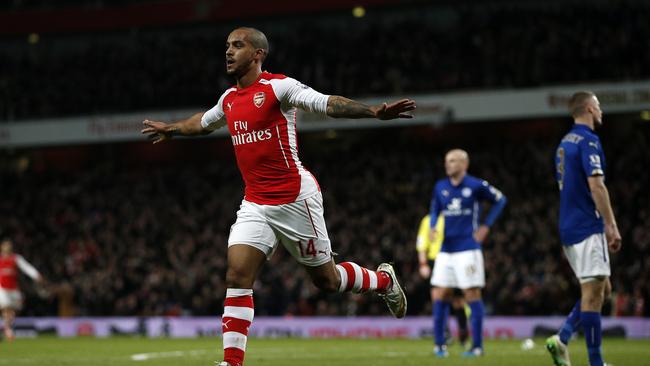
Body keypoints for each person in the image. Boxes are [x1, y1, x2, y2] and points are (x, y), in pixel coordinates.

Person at [141, 27, 413, 366]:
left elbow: (326, 103)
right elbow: (204, 123)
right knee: (237, 275)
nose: (228, 52)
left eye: (237, 46)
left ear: (257, 54)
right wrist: (173, 129)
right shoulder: (229, 99)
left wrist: (373, 112)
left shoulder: (278, 87)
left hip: (295, 198)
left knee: (326, 281)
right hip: (255, 203)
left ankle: (383, 280)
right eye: (227, 46)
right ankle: (232, 361)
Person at [546, 91, 621, 366]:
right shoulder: (589, 140)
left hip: (567, 225)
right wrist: (611, 225)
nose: (601, 111)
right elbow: (596, 185)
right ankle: (596, 362)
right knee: (592, 295)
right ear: (589, 108)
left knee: (603, 289)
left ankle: (562, 338)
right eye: (599, 106)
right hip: (587, 225)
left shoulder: (564, 143)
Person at [428, 149, 507, 358]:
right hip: (446, 249)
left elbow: (500, 200)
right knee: (439, 294)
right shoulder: (440, 186)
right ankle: (439, 345)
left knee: (471, 295)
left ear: (464, 164)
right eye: (447, 161)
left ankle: (477, 346)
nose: (448, 164)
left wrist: (486, 226)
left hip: (468, 249)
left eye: (453, 161)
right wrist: (433, 226)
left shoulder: (476, 185)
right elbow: (435, 208)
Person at [416, 214, 469, 347]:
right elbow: (422, 243)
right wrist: (423, 264)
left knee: (458, 302)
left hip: (454, 260)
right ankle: (444, 335)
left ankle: (463, 331)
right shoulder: (428, 220)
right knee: (437, 299)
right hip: (435, 260)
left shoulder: (455, 217)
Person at [0, 238, 43, 341]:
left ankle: (7, 327)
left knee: (13, 311)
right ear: (2, 248)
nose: (7, 247)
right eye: (5, 245)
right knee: (6, 307)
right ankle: (8, 330)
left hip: (14, 290)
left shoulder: (16, 258)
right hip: (2, 289)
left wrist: (36, 275)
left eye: (9, 245)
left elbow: (26, 267)